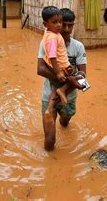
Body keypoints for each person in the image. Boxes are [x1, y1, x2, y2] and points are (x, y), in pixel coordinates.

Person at [37, 8, 87, 151]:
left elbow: (83, 74)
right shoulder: (48, 41)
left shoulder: (78, 47)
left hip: (69, 98)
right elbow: (40, 69)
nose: (65, 29)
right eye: (61, 24)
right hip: (48, 95)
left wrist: (76, 81)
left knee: (65, 123)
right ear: (49, 25)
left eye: (69, 25)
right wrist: (70, 79)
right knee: (50, 140)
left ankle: (60, 95)